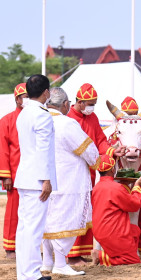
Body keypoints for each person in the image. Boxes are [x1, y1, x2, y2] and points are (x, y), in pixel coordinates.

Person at [40, 88, 100, 275]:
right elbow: (89, 151)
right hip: (68, 183)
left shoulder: (39, 120)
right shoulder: (67, 124)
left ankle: (47, 263)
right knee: (64, 223)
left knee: (47, 223)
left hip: (42, 182)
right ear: (66, 104)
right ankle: (59, 264)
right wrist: (98, 161)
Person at [66, 83, 125, 264]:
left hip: (90, 174)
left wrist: (112, 151)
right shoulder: (68, 119)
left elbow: (100, 141)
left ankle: (80, 252)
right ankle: (71, 254)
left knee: (86, 212)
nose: (92, 107)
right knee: (73, 212)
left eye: (94, 103)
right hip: (72, 172)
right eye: (90, 103)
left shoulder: (92, 117)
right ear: (80, 102)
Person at [14, 74, 56, 280]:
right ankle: (30, 274)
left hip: (25, 177)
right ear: (46, 92)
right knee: (33, 229)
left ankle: (24, 273)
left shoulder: (24, 113)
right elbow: (43, 150)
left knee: (24, 228)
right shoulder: (41, 114)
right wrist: (46, 179)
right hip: (37, 180)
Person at [91, 154, 141, 266]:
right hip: (112, 232)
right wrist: (136, 187)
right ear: (113, 169)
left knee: (134, 231)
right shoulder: (116, 187)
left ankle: (117, 252)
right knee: (133, 260)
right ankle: (101, 256)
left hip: (99, 231)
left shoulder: (96, 187)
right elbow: (134, 205)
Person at [120, 96, 141, 255]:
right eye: (128, 113)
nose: (131, 116)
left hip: (139, 174)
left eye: (134, 113)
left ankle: (140, 247)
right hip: (120, 174)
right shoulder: (119, 129)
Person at [0, 83, 28, 259]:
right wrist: (5, 176)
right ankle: (10, 248)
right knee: (13, 211)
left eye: (28, 96)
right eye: (23, 97)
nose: (26, 100)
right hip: (15, 175)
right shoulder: (6, 121)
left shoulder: (37, 118)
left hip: (34, 174)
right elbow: (2, 150)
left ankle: (27, 247)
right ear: (16, 99)